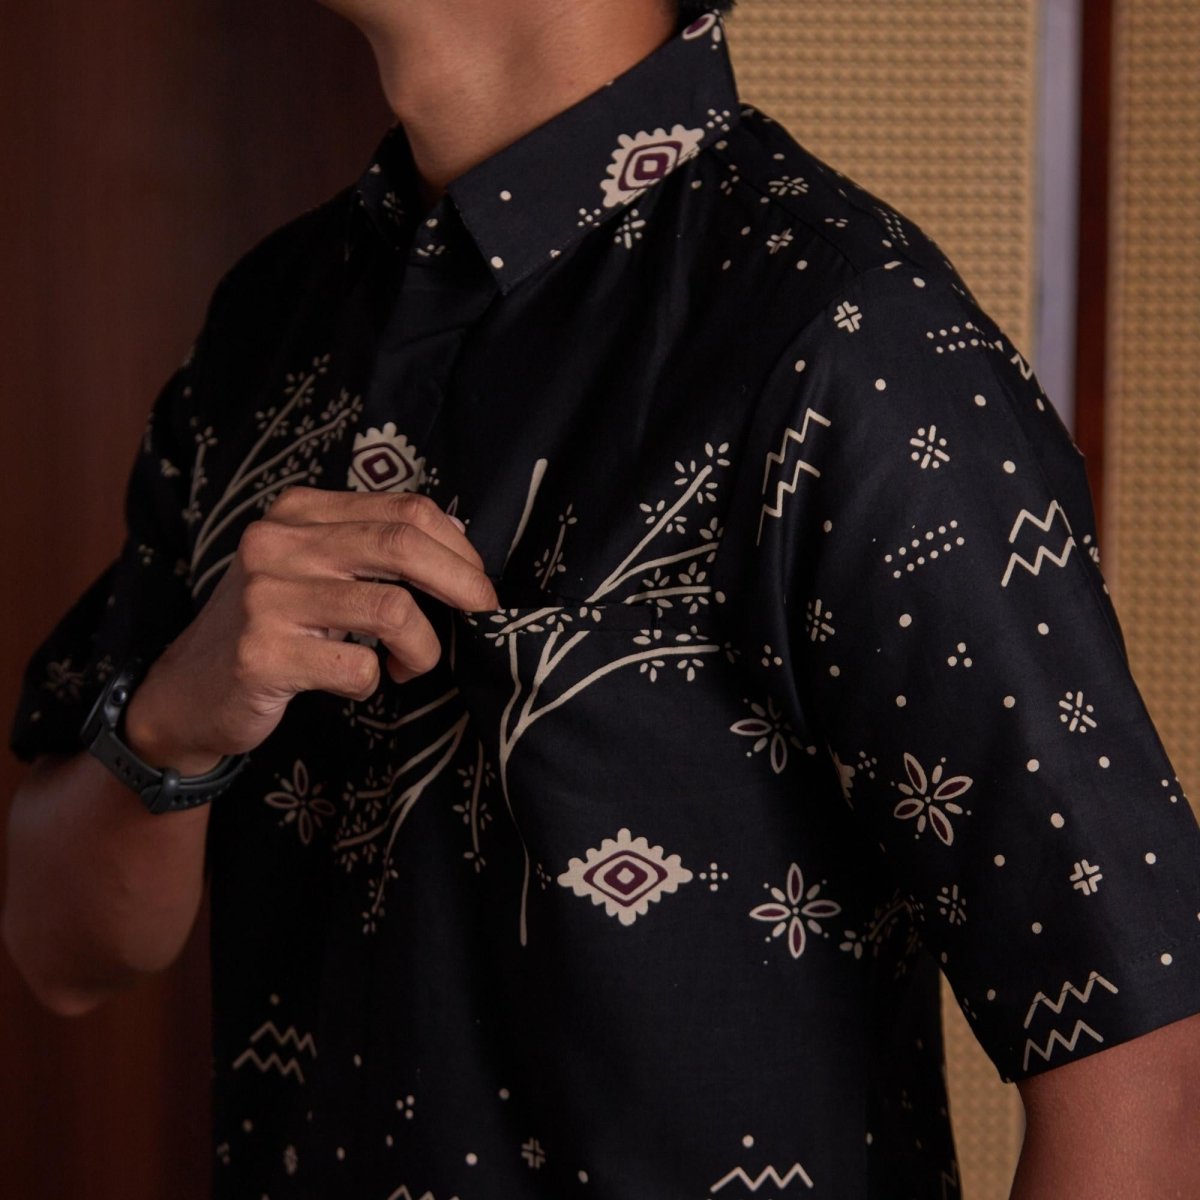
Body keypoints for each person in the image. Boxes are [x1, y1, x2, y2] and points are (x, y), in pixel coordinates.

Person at [4, 0, 1199, 1195]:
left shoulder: (847, 336)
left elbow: (1144, 1081)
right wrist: (173, 727)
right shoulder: (269, 320)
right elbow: (60, 951)